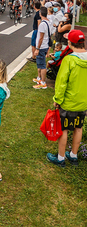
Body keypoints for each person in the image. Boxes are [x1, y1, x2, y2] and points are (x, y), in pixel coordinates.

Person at [47, 30, 87, 167]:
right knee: (78, 127)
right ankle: (74, 156)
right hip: (83, 102)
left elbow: (61, 82)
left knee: (64, 129)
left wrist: (57, 100)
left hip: (68, 102)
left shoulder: (69, 60)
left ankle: (60, 158)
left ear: (69, 43)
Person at [32, 6, 52, 89]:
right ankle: (40, 79)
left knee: (42, 65)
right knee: (40, 63)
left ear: (40, 14)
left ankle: (43, 82)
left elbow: (41, 37)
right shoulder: (48, 22)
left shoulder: (42, 24)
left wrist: (37, 48)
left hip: (42, 46)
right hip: (45, 45)